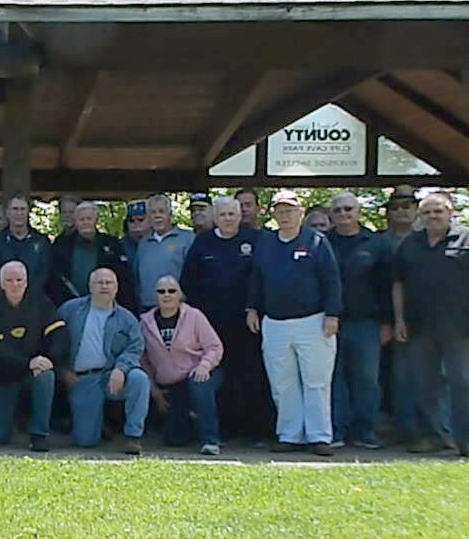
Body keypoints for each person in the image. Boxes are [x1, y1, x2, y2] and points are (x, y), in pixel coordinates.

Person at [393, 192, 469, 459]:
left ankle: (467, 441)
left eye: (438, 211)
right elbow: (398, 283)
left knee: (462, 383)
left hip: (460, 326)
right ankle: (433, 437)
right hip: (419, 326)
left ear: (451, 213)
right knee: (424, 385)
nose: (432, 217)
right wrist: (399, 319)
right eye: (427, 212)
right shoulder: (410, 244)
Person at [247, 190, 342, 455]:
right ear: (273, 214)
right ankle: (290, 435)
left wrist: (332, 314)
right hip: (274, 322)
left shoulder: (316, 241)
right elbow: (256, 277)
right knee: (282, 382)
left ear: (301, 213)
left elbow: (332, 281)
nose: (285, 215)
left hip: (313, 321)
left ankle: (320, 436)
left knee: (316, 382)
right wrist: (252, 308)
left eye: (290, 210)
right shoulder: (266, 243)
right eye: (280, 210)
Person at [181, 197, 270, 441]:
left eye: (232, 214)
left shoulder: (256, 239)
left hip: (248, 322)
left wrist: (255, 307)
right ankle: (225, 429)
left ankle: (256, 431)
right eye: (223, 215)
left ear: (240, 216)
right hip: (212, 325)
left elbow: (263, 277)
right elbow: (188, 280)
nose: (228, 219)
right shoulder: (203, 242)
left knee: (251, 375)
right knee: (221, 379)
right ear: (215, 217)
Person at [58, 267, 150, 453]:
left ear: (116, 288)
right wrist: (62, 370)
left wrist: (121, 369)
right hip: (82, 379)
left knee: (139, 379)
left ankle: (133, 436)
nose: (104, 286)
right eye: (99, 282)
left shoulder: (126, 318)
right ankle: (98, 424)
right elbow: (53, 341)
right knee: (85, 441)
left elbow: (135, 347)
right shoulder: (70, 310)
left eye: (109, 283)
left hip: (113, 376)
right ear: (90, 287)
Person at [326, 191, 392, 449]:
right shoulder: (323, 242)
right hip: (329, 321)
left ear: (358, 212)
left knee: (366, 379)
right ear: (332, 214)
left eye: (348, 209)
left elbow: (387, 286)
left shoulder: (377, 244)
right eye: (339, 210)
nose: (343, 214)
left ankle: (366, 431)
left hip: (366, 323)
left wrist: (388, 322)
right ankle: (337, 430)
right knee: (334, 379)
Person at [0, 259, 63, 450]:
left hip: (32, 373)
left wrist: (50, 359)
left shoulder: (41, 301)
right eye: (9, 280)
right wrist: (28, 363)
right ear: (1, 283)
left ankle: (39, 434)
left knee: (46, 376)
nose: (15, 285)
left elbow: (59, 334)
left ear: (26, 281)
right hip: (0, 376)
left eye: (19, 280)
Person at [140, 275, 225, 455]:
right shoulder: (145, 323)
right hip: (172, 383)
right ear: (155, 296)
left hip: (201, 373)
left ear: (180, 295)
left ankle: (211, 440)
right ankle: (191, 420)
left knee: (199, 384)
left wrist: (204, 366)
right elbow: (143, 360)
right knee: (174, 439)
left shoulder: (194, 316)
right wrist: (154, 391)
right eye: (161, 291)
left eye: (172, 291)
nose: (167, 295)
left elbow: (214, 346)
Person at [379, 183, 427, 443]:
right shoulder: (379, 242)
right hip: (388, 321)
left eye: (407, 206)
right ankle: (404, 429)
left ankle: (433, 429)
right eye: (395, 207)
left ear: (416, 209)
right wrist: (386, 320)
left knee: (429, 376)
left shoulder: (429, 238)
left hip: (427, 318)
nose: (401, 212)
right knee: (396, 377)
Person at [50, 200, 135, 309]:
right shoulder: (62, 244)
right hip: (70, 304)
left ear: (96, 220)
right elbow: (54, 276)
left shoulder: (111, 243)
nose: (85, 222)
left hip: (105, 304)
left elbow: (124, 277)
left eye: (89, 219)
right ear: (76, 221)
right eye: (81, 219)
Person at [127, 195, 194, 309]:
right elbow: (136, 278)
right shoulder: (143, 243)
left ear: (170, 214)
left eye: (161, 211)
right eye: (153, 212)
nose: (157, 215)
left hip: (179, 307)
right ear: (148, 217)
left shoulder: (187, 239)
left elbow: (195, 275)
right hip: (148, 309)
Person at [0, 194, 51, 295]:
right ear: (7, 213)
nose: (19, 213)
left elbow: (45, 274)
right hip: (4, 302)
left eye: (22, 209)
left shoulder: (41, 241)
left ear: (28, 212)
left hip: (35, 301)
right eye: (15, 209)